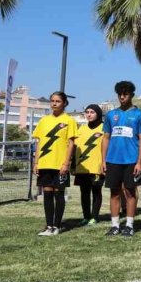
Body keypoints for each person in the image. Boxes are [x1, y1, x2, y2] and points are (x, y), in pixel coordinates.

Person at [101, 80, 141, 238]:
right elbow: (106, 138)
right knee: (114, 193)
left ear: (132, 95)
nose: (122, 96)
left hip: (131, 161)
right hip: (113, 160)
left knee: (130, 192)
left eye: (125, 94)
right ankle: (114, 225)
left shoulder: (139, 115)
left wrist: (140, 162)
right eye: (120, 94)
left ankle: (129, 225)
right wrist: (103, 160)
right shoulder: (111, 115)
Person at [32, 92, 77, 236]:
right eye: (52, 101)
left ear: (64, 103)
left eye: (58, 101)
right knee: (47, 195)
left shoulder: (69, 120)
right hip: (45, 163)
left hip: (60, 165)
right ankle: (49, 226)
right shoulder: (43, 121)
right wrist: (36, 162)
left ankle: (57, 226)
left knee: (59, 194)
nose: (54, 103)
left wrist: (66, 163)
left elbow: (71, 144)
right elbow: (39, 143)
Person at [73, 104, 104, 226]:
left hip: (96, 166)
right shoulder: (81, 129)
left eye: (92, 112)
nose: (89, 114)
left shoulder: (104, 128)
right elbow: (76, 147)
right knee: (84, 192)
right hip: (82, 167)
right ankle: (86, 216)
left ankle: (95, 216)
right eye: (87, 112)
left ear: (98, 114)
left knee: (96, 191)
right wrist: (73, 165)